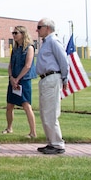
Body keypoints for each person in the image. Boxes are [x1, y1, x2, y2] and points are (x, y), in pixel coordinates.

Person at [35, 18, 69, 155]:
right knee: (45, 112)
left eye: (39, 27)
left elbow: (63, 60)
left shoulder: (54, 41)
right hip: (45, 78)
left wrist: (65, 78)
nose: (37, 30)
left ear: (47, 28)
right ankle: (51, 141)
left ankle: (57, 143)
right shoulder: (46, 42)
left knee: (50, 112)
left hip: (52, 77)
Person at [4, 25, 37, 139]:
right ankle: (9, 128)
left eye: (16, 33)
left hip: (24, 80)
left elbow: (28, 65)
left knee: (26, 105)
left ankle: (33, 132)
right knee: (9, 105)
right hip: (13, 80)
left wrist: (18, 79)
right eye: (13, 33)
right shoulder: (15, 49)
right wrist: (12, 77)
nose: (13, 35)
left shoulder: (29, 48)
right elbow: (10, 65)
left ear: (23, 34)